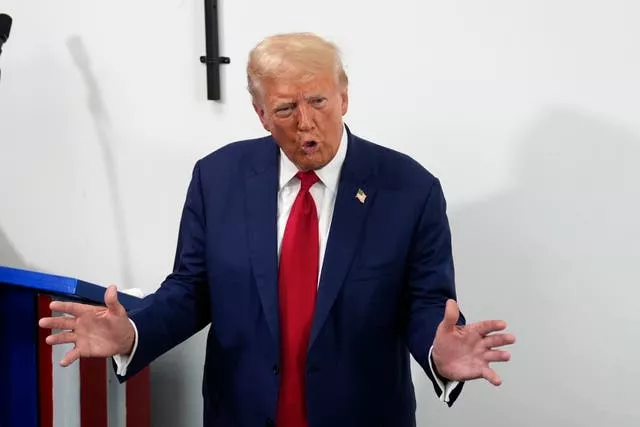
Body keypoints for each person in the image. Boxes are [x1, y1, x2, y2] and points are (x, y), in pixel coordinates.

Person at [39, 32, 515, 427]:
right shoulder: (217, 178)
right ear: (261, 114)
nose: (306, 122)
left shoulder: (410, 189)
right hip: (243, 414)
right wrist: (133, 332)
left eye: (318, 101)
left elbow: (424, 302)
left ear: (344, 97)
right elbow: (192, 289)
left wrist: (439, 349)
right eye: (286, 108)